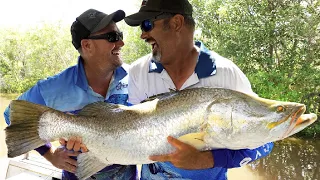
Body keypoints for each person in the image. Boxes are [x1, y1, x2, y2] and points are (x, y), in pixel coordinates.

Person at [124, 0, 274, 179]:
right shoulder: (138, 72)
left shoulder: (227, 74)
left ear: (176, 23)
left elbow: (265, 142)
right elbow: (126, 130)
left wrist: (208, 160)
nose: (143, 35)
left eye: (147, 25)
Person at [4, 9, 137, 180]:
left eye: (120, 34)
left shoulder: (137, 77)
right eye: (112, 37)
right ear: (87, 45)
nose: (121, 43)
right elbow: (12, 115)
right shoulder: (53, 88)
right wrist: (50, 154)